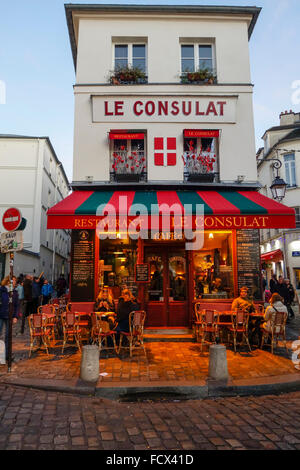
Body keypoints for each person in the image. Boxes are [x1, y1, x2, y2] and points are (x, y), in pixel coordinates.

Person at [0, 276, 19, 361]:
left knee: (8, 336)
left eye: (15, 280)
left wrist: (15, 316)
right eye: (13, 280)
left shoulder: (14, 292)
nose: (15, 282)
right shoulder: (1, 290)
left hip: (10, 315)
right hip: (1, 314)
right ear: (8, 281)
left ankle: (7, 355)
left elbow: (16, 305)